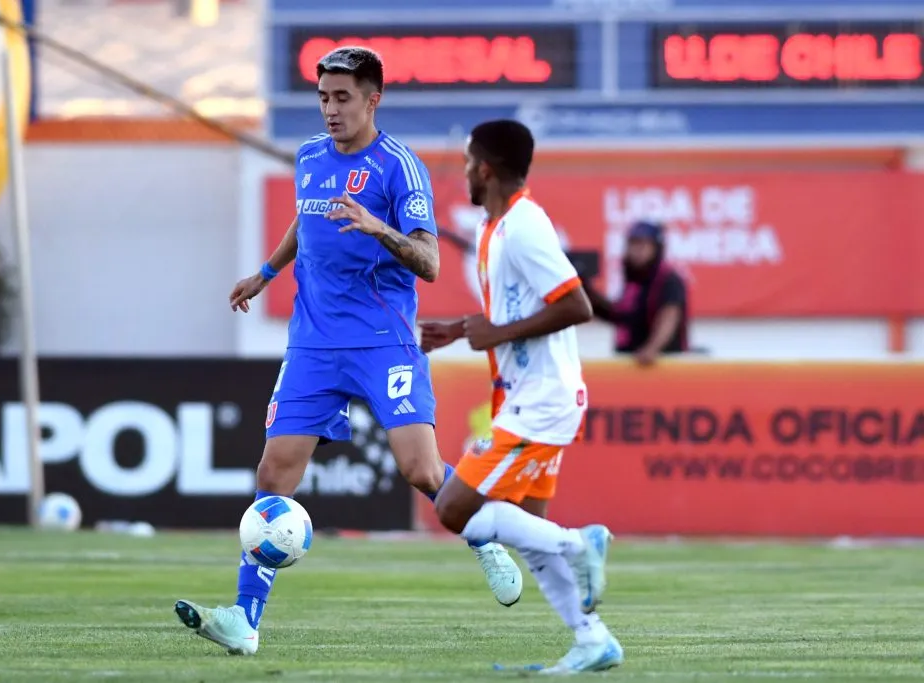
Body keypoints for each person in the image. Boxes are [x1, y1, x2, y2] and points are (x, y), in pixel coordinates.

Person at [172, 47, 522, 656]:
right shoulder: (309, 156)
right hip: (312, 344)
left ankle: (485, 537)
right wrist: (265, 272)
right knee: (272, 474)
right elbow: (305, 224)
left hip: (381, 341)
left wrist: (377, 226)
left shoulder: (397, 167)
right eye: (324, 98)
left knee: (421, 469)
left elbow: (432, 262)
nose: (331, 110)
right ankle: (245, 621)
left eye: (343, 98)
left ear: (372, 99)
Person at [420, 119, 624, 674]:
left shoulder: (526, 226)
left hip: (542, 401)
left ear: (484, 168)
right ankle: (592, 640)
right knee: (524, 529)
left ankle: (581, 544)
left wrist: (494, 333)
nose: (462, 171)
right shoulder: (497, 228)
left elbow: (577, 305)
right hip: (527, 399)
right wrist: (464, 329)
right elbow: (515, 310)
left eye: (467, 161)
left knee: (454, 508)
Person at [583, 221, 690, 366]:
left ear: (656, 248)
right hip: (631, 362)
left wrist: (652, 349)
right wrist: (587, 294)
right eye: (632, 244)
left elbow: (670, 315)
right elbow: (621, 315)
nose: (636, 251)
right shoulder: (634, 279)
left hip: (659, 365)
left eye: (643, 245)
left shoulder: (669, 279)